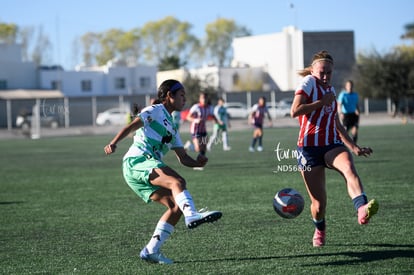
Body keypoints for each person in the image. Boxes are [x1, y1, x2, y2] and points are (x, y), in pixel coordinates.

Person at [104, 79, 222, 264]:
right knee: (177, 182)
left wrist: (199, 162)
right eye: (181, 95)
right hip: (137, 161)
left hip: (139, 170)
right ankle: (192, 214)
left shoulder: (172, 128)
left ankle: (151, 250)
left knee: (175, 207)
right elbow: (131, 126)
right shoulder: (155, 110)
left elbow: (183, 158)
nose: (185, 98)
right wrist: (113, 143)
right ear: (169, 95)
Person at [290, 50, 378, 247]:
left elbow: (336, 123)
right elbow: (294, 111)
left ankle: (361, 207)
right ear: (313, 70)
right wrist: (322, 102)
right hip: (308, 149)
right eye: (321, 72)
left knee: (348, 167)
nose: (325, 76)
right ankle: (320, 228)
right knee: (319, 206)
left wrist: (354, 147)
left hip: (331, 145)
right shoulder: (308, 83)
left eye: (328, 73)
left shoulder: (331, 90)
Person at [185, 92, 216, 169]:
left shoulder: (209, 107)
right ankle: (189, 146)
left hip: (203, 130)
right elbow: (188, 117)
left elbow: (213, 116)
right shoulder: (196, 107)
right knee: (198, 148)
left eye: (205, 98)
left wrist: (218, 121)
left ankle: (200, 164)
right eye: (203, 98)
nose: (204, 99)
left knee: (204, 147)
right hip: (195, 130)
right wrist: (195, 120)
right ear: (200, 99)